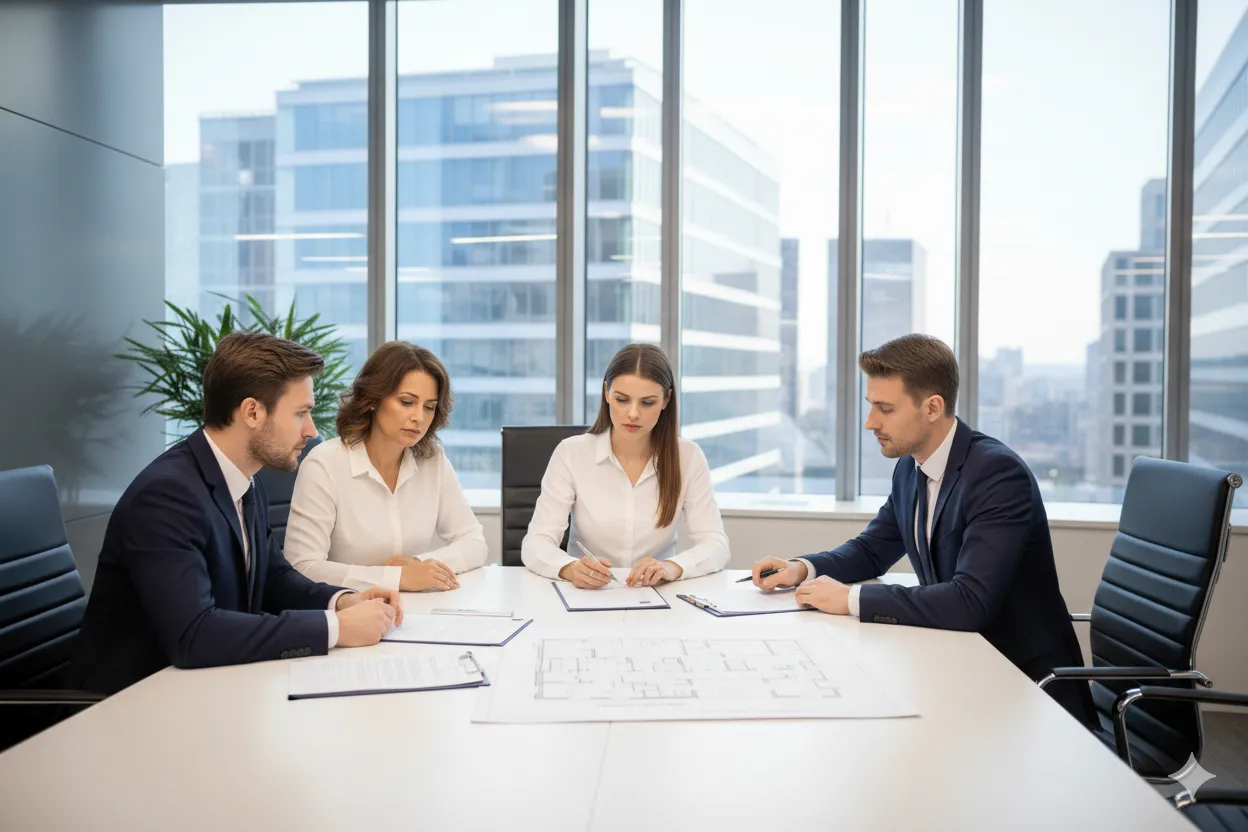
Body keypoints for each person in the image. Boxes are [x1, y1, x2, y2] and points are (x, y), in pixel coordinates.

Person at [750, 334, 1096, 727]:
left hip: (1027, 693)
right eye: (871, 406)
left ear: (932, 407)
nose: (870, 422)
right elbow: (871, 550)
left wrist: (850, 598)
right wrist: (802, 569)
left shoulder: (998, 476)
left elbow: (970, 601)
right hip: (961, 666)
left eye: (885, 409)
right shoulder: (910, 467)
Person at [68, 332, 402, 695]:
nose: (311, 430)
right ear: (252, 412)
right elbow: (194, 634)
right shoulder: (166, 496)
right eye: (301, 413)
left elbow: (273, 578)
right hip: (128, 703)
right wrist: (335, 628)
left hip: (204, 689)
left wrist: (343, 601)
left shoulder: (243, 478)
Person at [522, 343, 729, 588]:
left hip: (657, 596)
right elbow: (535, 543)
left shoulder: (688, 457)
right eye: (621, 400)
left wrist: (671, 567)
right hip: (587, 595)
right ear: (606, 393)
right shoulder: (571, 453)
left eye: (647, 403)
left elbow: (716, 544)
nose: (632, 414)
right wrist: (570, 568)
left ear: (666, 400)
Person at [285, 341, 486, 591]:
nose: (418, 417)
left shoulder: (432, 460)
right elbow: (303, 567)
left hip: (416, 606)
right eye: (407, 402)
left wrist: (418, 566)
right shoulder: (324, 464)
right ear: (373, 399)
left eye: (429, 407)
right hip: (346, 607)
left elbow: (474, 543)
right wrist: (396, 578)